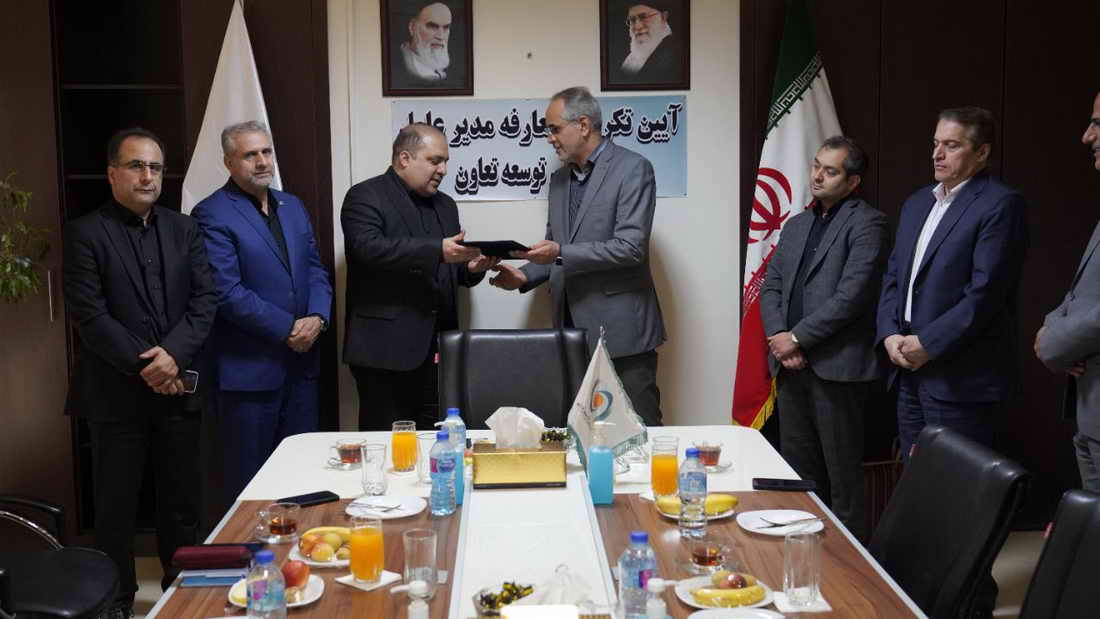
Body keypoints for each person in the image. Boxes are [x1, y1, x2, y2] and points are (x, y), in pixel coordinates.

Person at [63, 128, 216, 619]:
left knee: (182, 504)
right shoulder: (85, 233)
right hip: (115, 396)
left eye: (155, 167)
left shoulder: (185, 229)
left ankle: (181, 593)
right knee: (115, 509)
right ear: (112, 174)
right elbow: (90, 316)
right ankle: (116, 602)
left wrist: (173, 355)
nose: (147, 176)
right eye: (136, 166)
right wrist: (149, 366)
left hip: (178, 390)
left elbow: (205, 301)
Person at [490, 86, 667, 426]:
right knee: (581, 433)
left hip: (623, 333)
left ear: (583, 125)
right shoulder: (559, 180)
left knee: (638, 431)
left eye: (554, 129)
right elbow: (555, 246)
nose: (549, 138)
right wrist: (523, 275)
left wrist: (559, 252)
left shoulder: (633, 169)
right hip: (570, 331)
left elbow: (630, 247)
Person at [190, 121, 333, 501]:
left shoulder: (292, 206)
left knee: (303, 480)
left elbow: (315, 270)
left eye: (266, 152)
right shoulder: (212, 213)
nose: (261, 161)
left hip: (302, 370)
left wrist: (318, 318)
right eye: (249, 154)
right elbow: (226, 291)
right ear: (228, 162)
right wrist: (289, 329)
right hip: (249, 375)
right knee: (251, 486)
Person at [877, 107, 1028, 464]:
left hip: (960, 380)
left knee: (955, 485)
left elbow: (985, 294)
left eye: (952, 145)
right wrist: (889, 334)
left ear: (982, 152)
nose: (937, 154)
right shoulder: (917, 203)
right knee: (916, 479)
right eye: (935, 143)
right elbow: (893, 276)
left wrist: (928, 344)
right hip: (907, 367)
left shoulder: (1000, 204)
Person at [760, 136, 888, 540]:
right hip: (790, 367)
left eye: (830, 171)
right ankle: (802, 548)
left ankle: (851, 563)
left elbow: (852, 296)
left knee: (842, 479)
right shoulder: (797, 225)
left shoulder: (868, 223)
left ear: (852, 182)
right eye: (816, 165)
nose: (817, 175)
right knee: (799, 473)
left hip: (837, 368)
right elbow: (771, 286)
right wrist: (779, 337)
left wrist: (797, 339)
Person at [342, 123, 497, 430]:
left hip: (440, 351)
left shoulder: (445, 204)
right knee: (386, 441)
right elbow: (367, 249)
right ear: (404, 158)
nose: (443, 170)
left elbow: (449, 268)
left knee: (438, 442)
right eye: (435, 160)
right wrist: (438, 250)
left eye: (445, 161)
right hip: (384, 352)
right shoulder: (365, 195)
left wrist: (470, 269)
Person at [1036, 91, 1100, 493]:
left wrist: (1053, 343)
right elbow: (1080, 295)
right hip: (1090, 408)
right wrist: (1051, 327)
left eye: (1097, 123)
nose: (1086, 135)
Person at [612, 1, 684, 84]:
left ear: (664, 17)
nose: (637, 26)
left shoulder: (676, 53)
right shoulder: (631, 59)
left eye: (644, 17)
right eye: (632, 20)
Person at [396, 2, 457, 86]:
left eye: (446, 27)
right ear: (412, 27)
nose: (441, 36)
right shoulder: (399, 64)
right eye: (432, 26)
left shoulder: (447, 69)